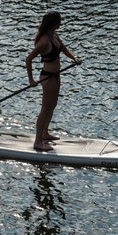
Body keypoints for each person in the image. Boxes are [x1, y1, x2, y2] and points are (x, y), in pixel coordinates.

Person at [25, 11, 80, 151]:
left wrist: (73, 58)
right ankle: (38, 142)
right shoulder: (44, 41)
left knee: (53, 105)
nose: (61, 23)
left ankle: (45, 133)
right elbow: (29, 59)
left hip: (56, 76)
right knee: (45, 108)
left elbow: (64, 49)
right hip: (47, 77)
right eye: (59, 21)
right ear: (53, 23)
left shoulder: (54, 35)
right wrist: (31, 80)